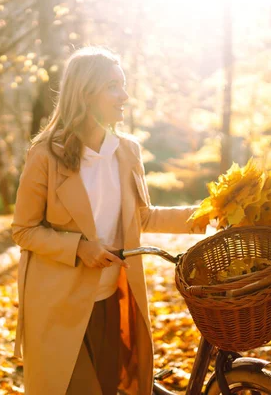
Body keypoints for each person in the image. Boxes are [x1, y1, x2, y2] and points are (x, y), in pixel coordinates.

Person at [11, 46, 206, 395]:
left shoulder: (127, 151)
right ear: (86, 93)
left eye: (124, 85)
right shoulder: (45, 155)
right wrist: (79, 247)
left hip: (111, 297)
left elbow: (143, 216)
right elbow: (23, 230)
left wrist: (208, 214)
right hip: (57, 303)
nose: (125, 96)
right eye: (114, 87)